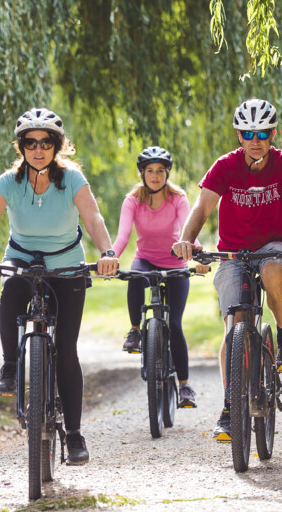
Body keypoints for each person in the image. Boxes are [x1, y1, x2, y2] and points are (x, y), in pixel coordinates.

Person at [0, 108, 118, 466]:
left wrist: (107, 252)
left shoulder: (72, 179)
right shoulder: (8, 183)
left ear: (57, 146)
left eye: (46, 142)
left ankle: (75, 435)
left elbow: (93, 218)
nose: (38, 149)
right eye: (30, 142)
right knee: (11, 287)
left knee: (66, 351)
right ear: (21, 147)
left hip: (66, 264)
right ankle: (10, 366)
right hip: (22, 258)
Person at [171, 98, 282, 442]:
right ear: (240, 135)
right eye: (249, 133)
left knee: (271, 273)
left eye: (263, 132)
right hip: (234, 251)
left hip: (276, 246)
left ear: (272, 134)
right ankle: (228, 407)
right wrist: (186, 240)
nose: (256, 139)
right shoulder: (225, 166)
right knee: (235, 325)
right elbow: (202, 206)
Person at [111, 146, 209, 409]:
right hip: (146, 259)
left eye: (160, 171)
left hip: (174, 262)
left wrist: (197, 256)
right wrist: (110, 257)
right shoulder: (132, 200)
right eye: (150, 171)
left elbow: (189, 232)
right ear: (142, 174)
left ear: (167, 173)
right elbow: (122, 237)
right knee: (134, 276)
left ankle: (185, 385)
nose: (155, 176)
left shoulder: (178, 198)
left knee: (175, 324)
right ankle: (134, 331)